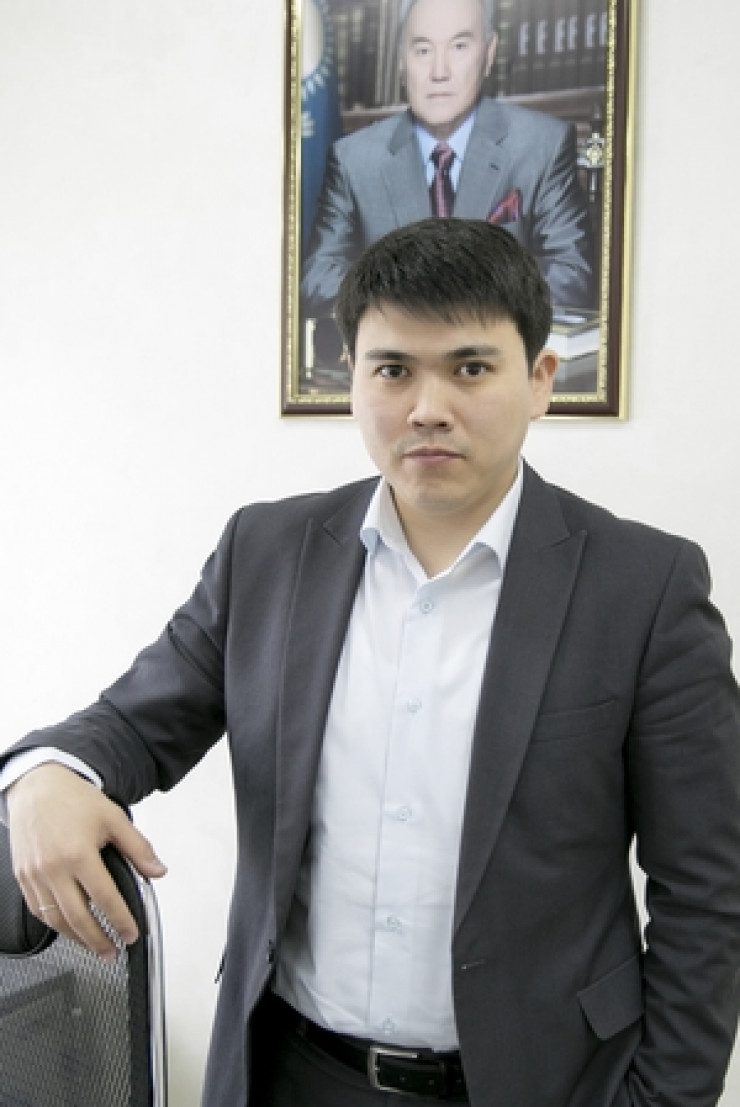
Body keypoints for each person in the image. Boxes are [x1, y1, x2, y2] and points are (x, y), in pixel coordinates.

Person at [3, 218, 740, 1107]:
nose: (428, 407)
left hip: (542, 1082)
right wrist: (45, 774)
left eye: (471, 367)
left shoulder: (645, 587)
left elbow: (709, 888)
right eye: (393, 370)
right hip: (291, 1073)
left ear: (542, 379)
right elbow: (132, 724)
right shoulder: (266, 552)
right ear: (350, 377)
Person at [301, 0, 596, 327]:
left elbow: (573, 277)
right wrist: (411, 304)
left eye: (459, 46)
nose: (439, 72)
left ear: (489, 54)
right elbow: (317, 279)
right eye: (423, 50)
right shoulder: (353, 159)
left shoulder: (542, 145)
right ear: (401, 61)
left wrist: (461, 307)